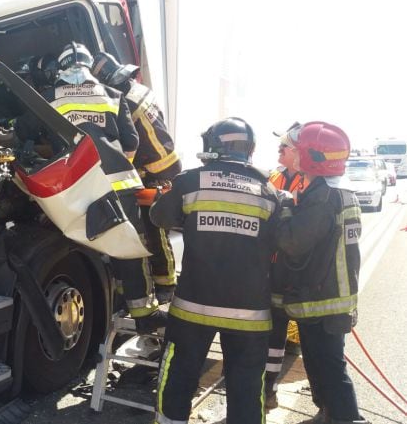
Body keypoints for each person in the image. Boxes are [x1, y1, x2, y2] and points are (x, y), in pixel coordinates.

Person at [150, 117, 279, 424]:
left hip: (194, 306)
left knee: (179, 376)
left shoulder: (192, 180)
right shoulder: (268, 190)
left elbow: (159, 217)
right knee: (247, 387)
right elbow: (279, 242)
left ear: (215, 145)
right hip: (250, 313)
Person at [32, 42, 166, 333]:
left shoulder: (47, 98)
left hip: (75, 187)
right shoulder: (114, 95)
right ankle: (143, 315)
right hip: (119, 183)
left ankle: (100, 305)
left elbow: (27, 137)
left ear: (61, 67)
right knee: (128, 246)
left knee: (81, 243)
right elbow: (131, 143)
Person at [274, 122, 367, 424]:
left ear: (310, 157)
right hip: (331, 296)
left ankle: (346, 418)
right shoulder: (337, 192)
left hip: (323, 300)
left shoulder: (322, 198)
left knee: (328, 365)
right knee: (319, 362)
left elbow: (293, 243)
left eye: (295, 148)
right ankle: (328, 413)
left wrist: (285, 206)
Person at [91, 52, 181, 303]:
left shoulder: (122, 103)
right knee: (157, 228)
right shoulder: (140, 90)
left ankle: (165, 285)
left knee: (152, 230)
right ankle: (166, 283)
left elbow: (129, 142)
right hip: (168, 163)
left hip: (152, 170)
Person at [264, 123, 311, 409]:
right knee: (272, 330)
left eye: (286, 146)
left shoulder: (313, 184)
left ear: (301, 152)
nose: (279, 149)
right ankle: (267, 386)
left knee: (291, 330)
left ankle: (270, 386)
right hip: (267, 268)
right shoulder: (272, 177)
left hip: (293, 269)